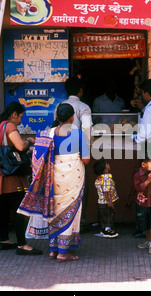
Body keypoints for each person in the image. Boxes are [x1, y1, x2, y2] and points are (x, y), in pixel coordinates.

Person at [0, 101, 42, 255]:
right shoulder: (10, 126)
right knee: (19, 207)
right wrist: (30, 141)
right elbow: (20, 146)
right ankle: (22, 245)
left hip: (1, 174)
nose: (21, 120)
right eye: (20, 117)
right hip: (12, 174)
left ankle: (4, 240)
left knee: (4, 207)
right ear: (14, 114)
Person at [50, 103, 90, 262]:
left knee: (55, 209)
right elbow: (86, 160)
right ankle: (63, 252)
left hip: (54, 176)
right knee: (71, 211)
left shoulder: (50, 133)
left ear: (57, 117)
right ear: (72, 117)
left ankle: (53, 249)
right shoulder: (78, 134)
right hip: (73, 177)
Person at [55, 77, 93, 233]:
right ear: (80, 90)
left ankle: (59, 224)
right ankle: (79, 223)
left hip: (59, 156)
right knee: (80, 190)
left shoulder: (58, 106)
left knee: (59, 193)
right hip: (77, 154)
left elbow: (55, 127)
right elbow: (87, 130)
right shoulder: (84, 107)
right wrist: (86, 149)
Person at [93, 159, 119, 238]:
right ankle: (108, 230)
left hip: (101, 201)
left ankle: (103, 229)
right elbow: (106, 190)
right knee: (108, 216)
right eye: (107, 164)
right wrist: (109, 201)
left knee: (103, 216)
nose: (109, 164)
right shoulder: (106, 178)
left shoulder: (99, 178)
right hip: (105, 202)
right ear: (105, 169)